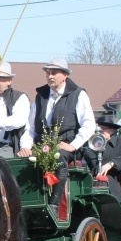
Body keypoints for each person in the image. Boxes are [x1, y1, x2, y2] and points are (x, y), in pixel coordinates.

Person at [17, 57, 96, 216]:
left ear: (65, 75)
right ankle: (24, 208)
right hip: (42, 146)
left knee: (58, 158)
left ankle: (53, 205)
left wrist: (73, 145)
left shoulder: (78, 95)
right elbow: (30, 127)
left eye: (54, 73)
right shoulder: (41, 97)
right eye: (48, 73)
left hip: (67, 147)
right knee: (19, 163)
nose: (50, 76)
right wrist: (25, 146)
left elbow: (89, 124)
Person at [83, 117, 121, 203]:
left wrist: (112, 163)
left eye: (103, 129)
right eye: (97, 128)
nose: (99, 131)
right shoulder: (90, 143)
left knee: (102, 181)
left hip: (114, 177)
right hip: (91, 176)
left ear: (111, 131)